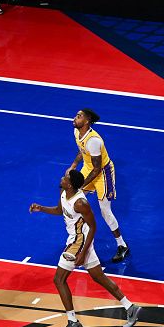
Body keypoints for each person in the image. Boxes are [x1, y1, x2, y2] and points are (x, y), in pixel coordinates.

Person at [29, 170, 141, 327]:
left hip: (79, 242)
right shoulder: (63, 192)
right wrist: (41, 208)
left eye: (65, 178)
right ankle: (130, 307)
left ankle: (73, 322)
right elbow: (60, 210)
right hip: (75, 239)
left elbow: (93, 227)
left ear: (71, 184)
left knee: (59, 279)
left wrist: (82, 251)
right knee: (99, 277)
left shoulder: (81, 203)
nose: (62, 177)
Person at [66, 108, 129, 263]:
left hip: (103, 173)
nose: (75, 118)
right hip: (89, 168)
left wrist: (80, 184)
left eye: (79, 116)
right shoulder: (77, 132)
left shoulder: (94, 140)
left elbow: (97, 169)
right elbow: (82, 151)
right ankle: (78, 239)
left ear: (87, 121)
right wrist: (73, 165)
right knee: (72, 200)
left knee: (105, 211)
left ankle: (122, 245)